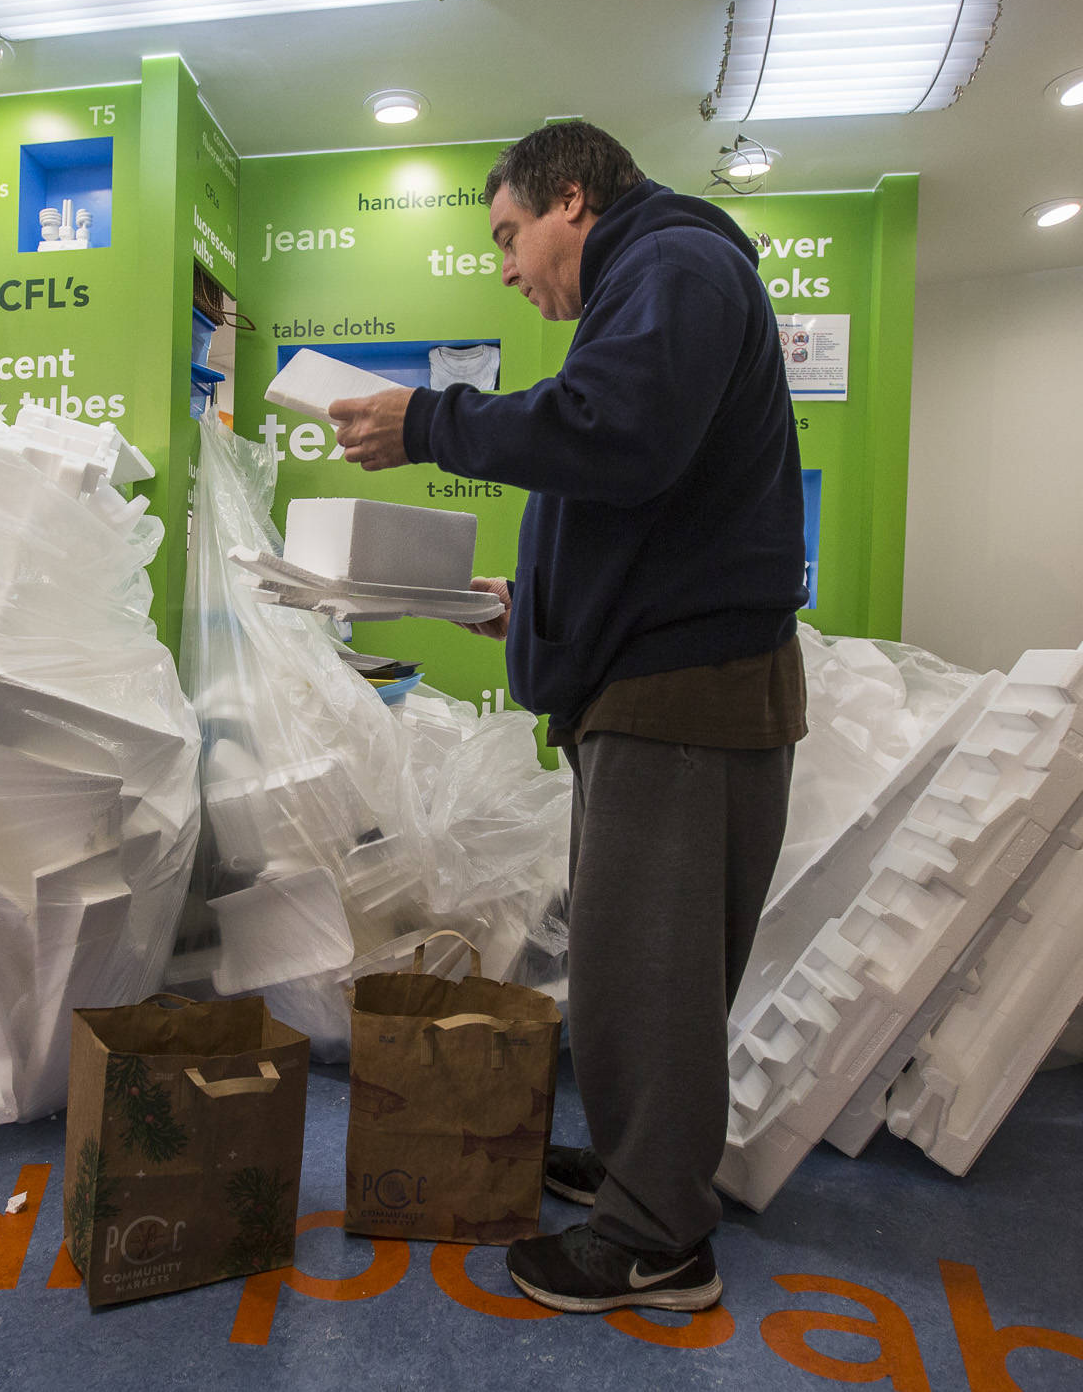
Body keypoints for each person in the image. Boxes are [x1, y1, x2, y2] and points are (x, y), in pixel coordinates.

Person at [328, 121, 807, 1315]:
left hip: (681, 693)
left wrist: (428, 424)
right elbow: (640, 501)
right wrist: (526, 605)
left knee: (647, 968)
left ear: (571, 201)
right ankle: (645, 1167)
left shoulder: (673, 268)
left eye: (506, 235)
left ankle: (658, 1240)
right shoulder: (656, 280)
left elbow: (616, 436)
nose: (504, 267)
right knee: (641, 962)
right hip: (662, 685)